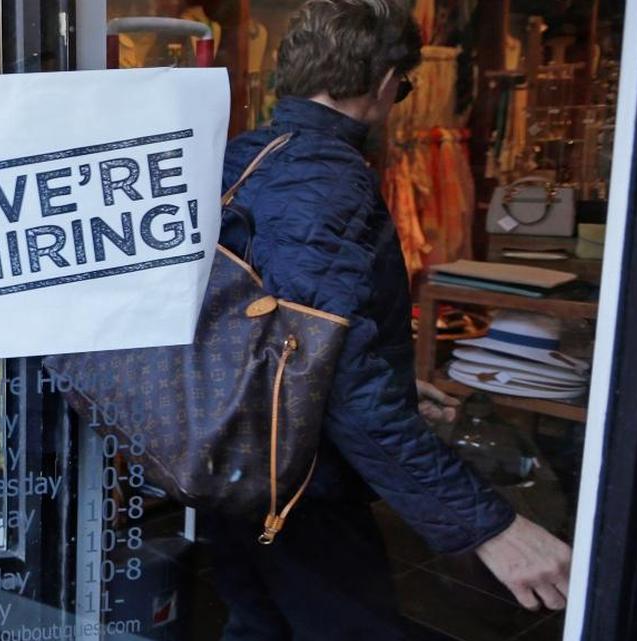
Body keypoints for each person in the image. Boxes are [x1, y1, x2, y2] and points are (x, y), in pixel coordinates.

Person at [210, 1, 572, 638]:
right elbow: (336, 374)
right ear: (383, 83)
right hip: (299, 482)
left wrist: (395, 383)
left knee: (257, 621)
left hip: (227, 455)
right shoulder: (327, 182)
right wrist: (490, 526)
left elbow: (271, 322)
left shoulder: (244, 156)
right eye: (404, 85)